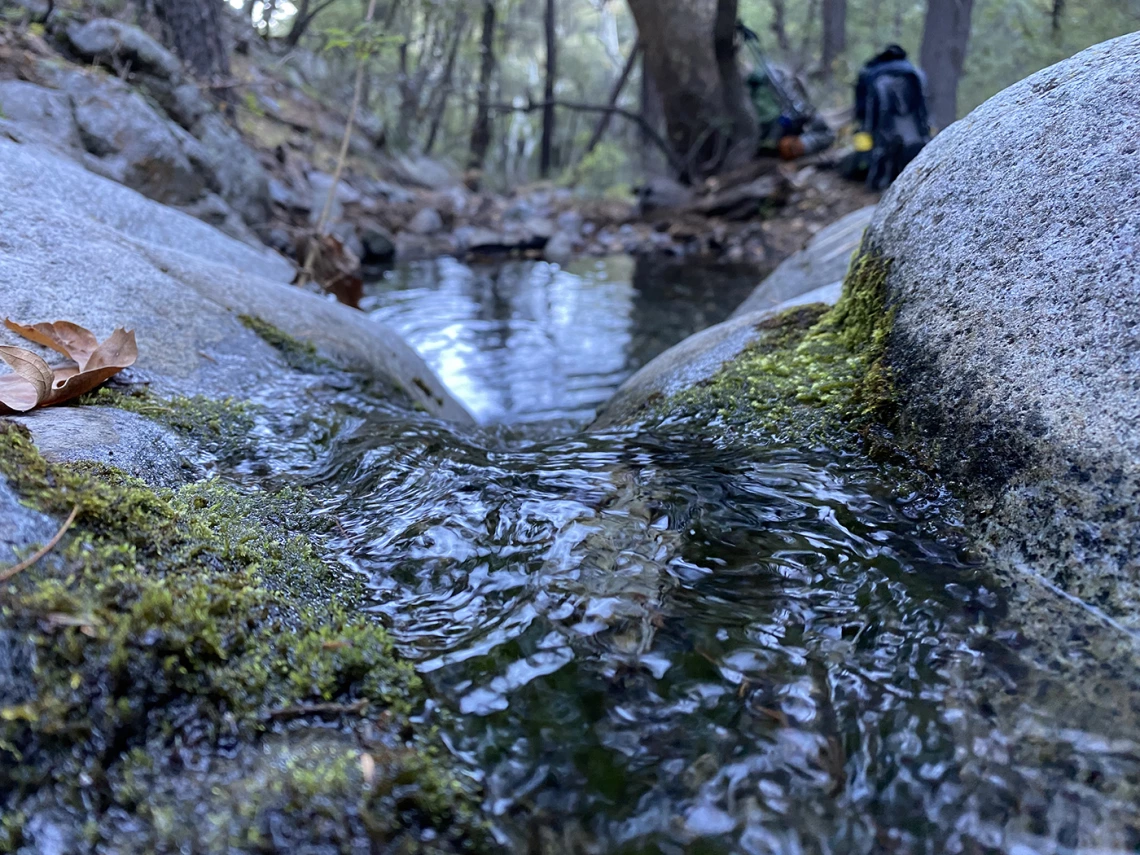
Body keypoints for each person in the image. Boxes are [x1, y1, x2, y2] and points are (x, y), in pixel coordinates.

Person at [852, 45, 930, 190]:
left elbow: (861, 109)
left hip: (882, 125)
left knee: (876, 146)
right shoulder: (914, 72)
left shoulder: (871, 72)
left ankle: (872, 177)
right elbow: (925, 106)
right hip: (913, 126)